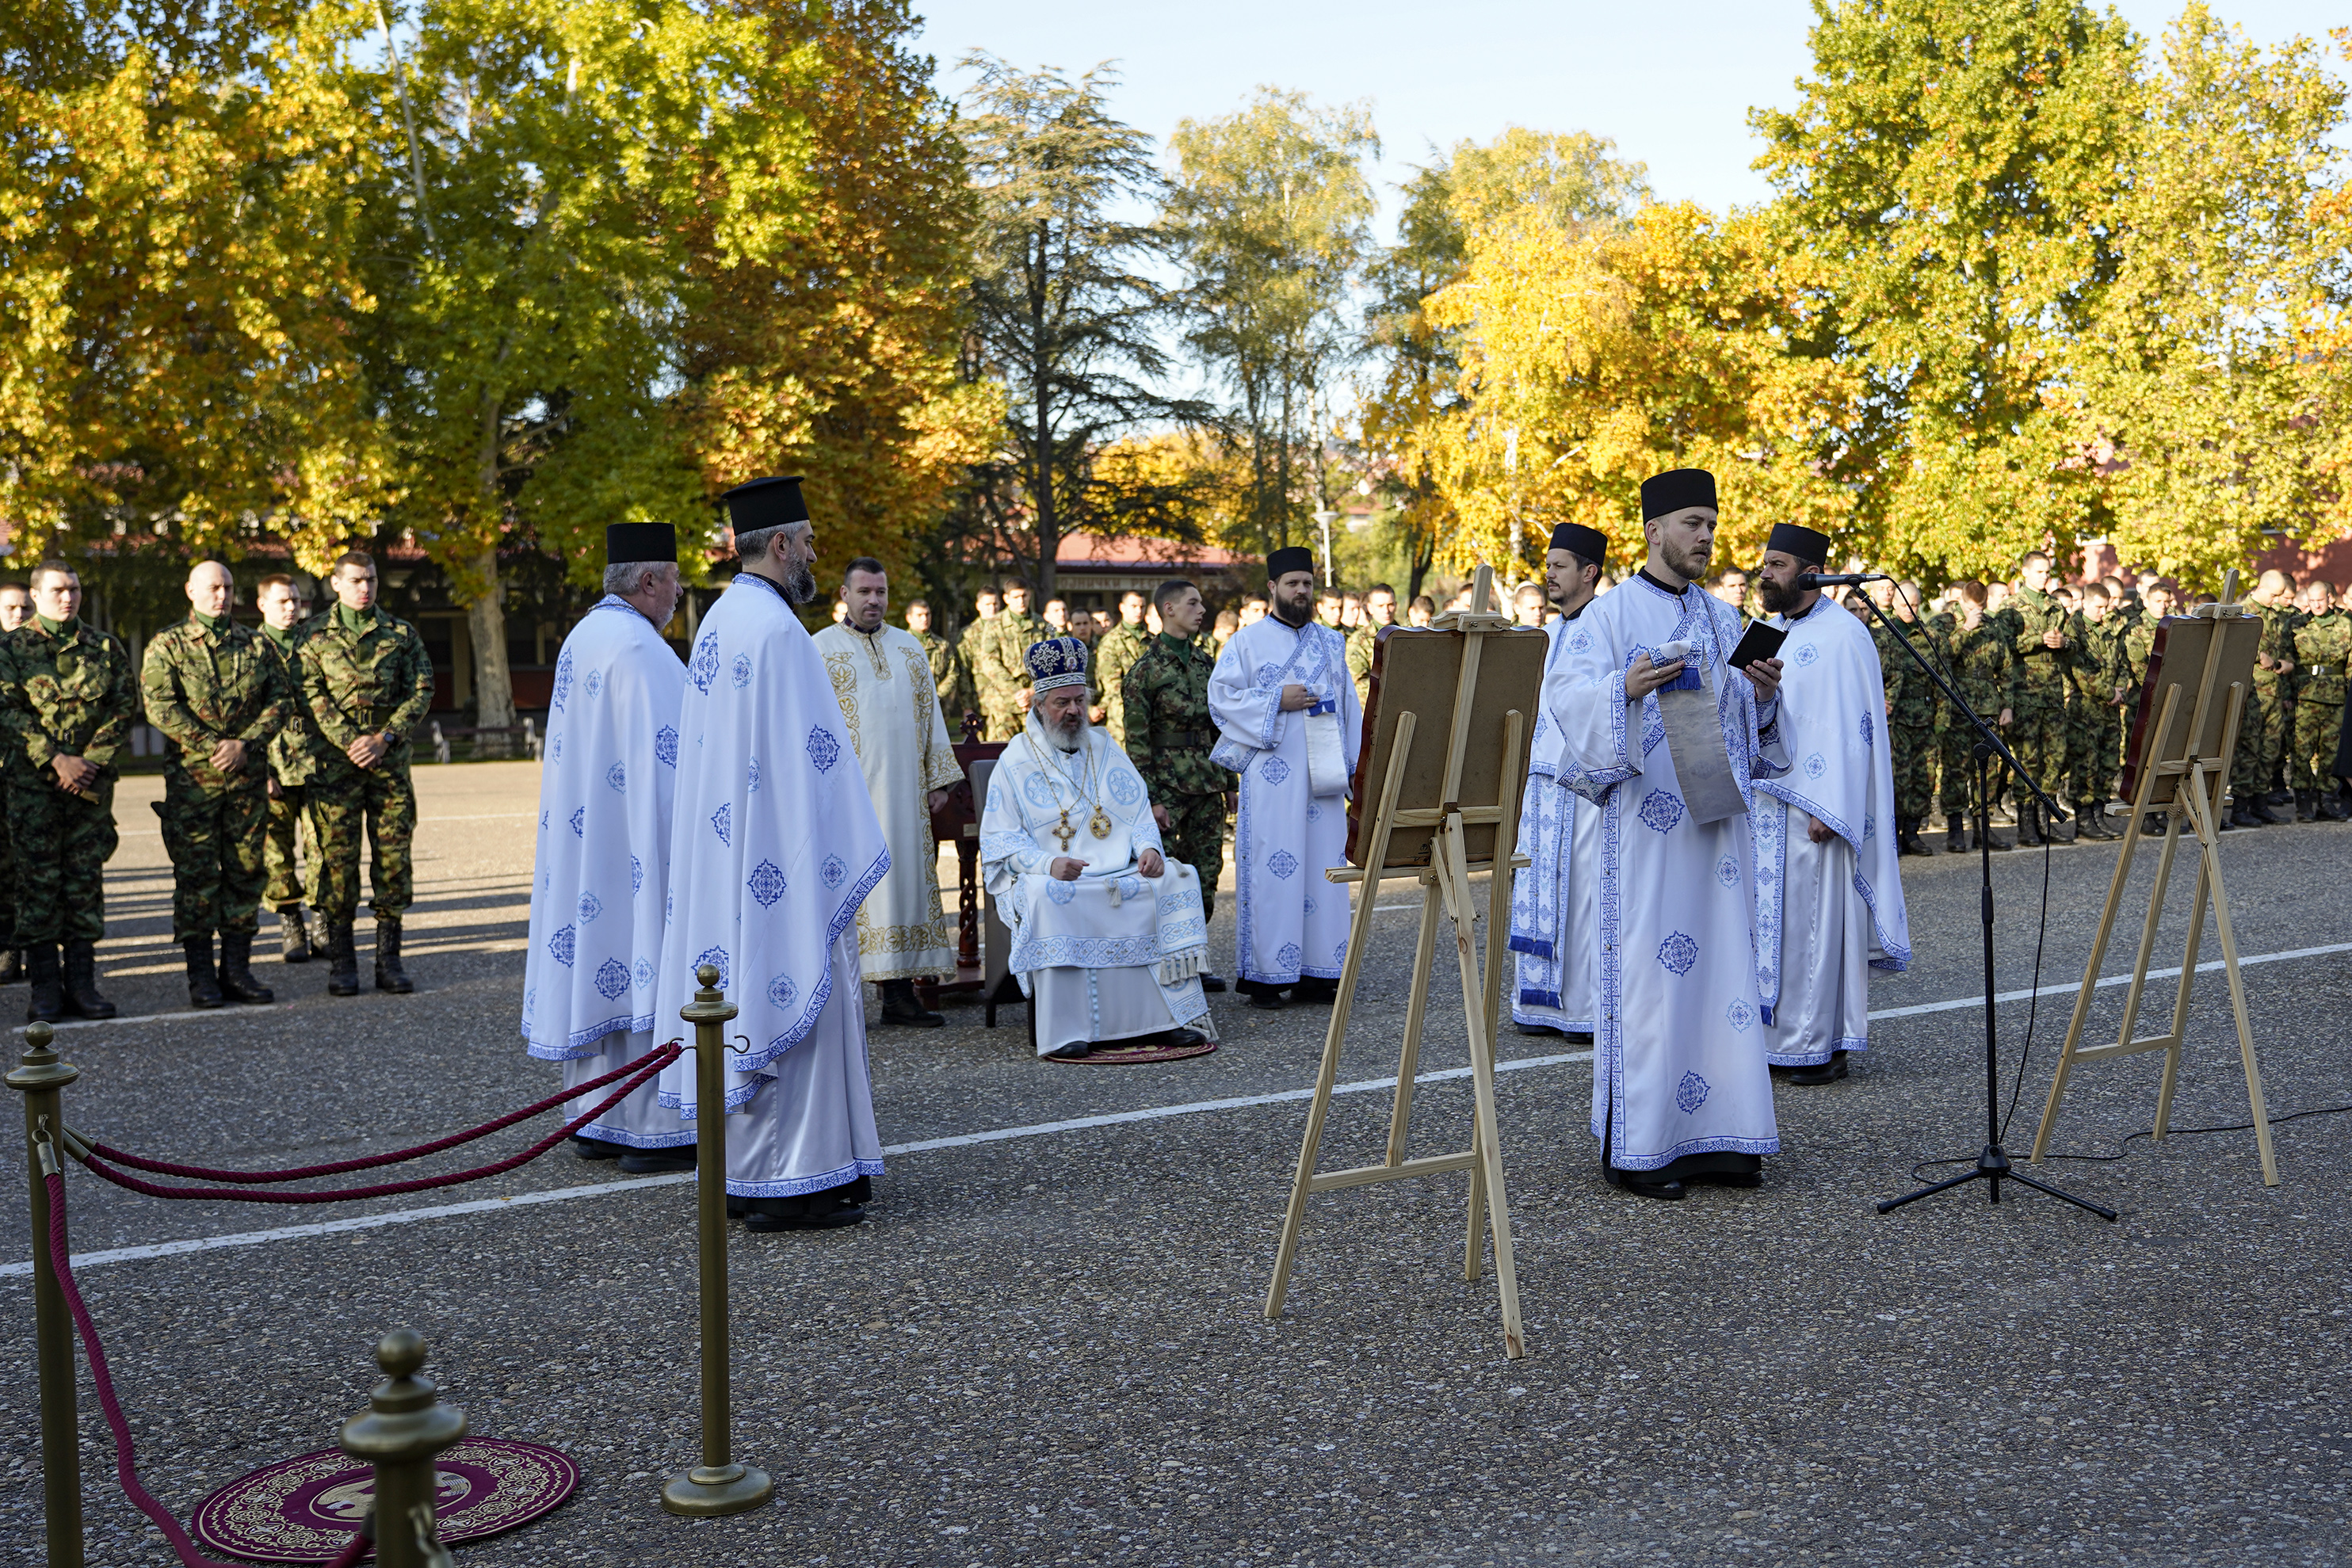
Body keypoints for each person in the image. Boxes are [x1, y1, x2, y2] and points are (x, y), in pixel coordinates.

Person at [657, 475, 889, 1232]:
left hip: (731, 858)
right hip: (784, 865)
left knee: (747, 1007)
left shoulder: (721, 619)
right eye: (811, 541)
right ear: (781, 545)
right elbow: (813, 763)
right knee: (798, 995)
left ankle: (750, 1174)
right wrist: (842, 844)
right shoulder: (780, 631)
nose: (816, 553)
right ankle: (800, 1176)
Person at [1548, 469, 1786, 1200]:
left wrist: (1765, 696)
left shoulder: (1723, 619)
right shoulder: (1609, 616)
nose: (1706, 536)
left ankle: (1726, 1137)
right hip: (1645, 841)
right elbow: (1565, 699)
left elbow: (1757, 737)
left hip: (1714, 838)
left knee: (1721, 978)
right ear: (1654, 531)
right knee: (1652, 981)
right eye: (1692, 523)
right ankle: (1643, 1148)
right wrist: (1621, 689)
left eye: (1711, 524)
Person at [524, 526, 695, 1173]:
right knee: (643, 956)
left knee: (599, 966)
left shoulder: (583, 636)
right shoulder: (641, 649)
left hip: (587, 844)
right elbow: (680, 763)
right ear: (648, 581)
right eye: (674, 578)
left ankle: (595, 1115)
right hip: (633, 852)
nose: (679, 591)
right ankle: (649, 1126)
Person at [983, 637, 1215, 1059]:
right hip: (1053, 875)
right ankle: (1069, 1030)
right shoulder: (1015, 760)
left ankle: (1166, 1019)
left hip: (1117, 870)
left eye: (1079, 700)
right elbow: (1000, 841)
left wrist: (1149, 849)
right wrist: (1048, 863)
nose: (1073, 711)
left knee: (1172, 880)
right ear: (1038, 706)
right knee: (1049, 897)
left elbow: (1139, 810)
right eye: (1061, 703)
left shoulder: (1105, 747)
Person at [1751, 530, 1912, 1085]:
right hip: (1768, 811)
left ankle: (1819, 1046)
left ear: (1811, 571)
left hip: (1817, 814)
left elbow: (1854, 729)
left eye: (1777, 563)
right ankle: (1777, 1040)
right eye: (1765, 563)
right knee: (1779, 933)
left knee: (1816, 933)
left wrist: (1835, 805)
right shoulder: (1774, 632)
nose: (1766, 572)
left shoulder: (1845, 634)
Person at [1208, 547, 1363, 1009]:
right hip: (1272, 779)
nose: (1302, 591)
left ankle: (1321, 972)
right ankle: (1269, 975)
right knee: (1274, 868)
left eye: (1308, 584)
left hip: (1325, 781)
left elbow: (1352, 711)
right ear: (1273, 588)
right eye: (1293, 583)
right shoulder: (1245, 643)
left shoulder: (1332, 643)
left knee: (1324, 870)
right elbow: (1221, 700)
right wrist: (1277, 699)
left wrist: (1359, 773)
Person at [812, 556, 963, 1028]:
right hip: (849, 797)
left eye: (881, 592)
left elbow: (931, 716)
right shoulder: (820, 650)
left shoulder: (909, 648)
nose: (874, 600)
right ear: (845, 595)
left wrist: (937, 778)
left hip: (904, 796)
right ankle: (842, 1004)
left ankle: (899, 996)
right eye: (864, 592)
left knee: (901, 889)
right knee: (853, 892)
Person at [142, 561, 291, 1009]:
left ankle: (238, 971)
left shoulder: (256, 645)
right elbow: (159, 705)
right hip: (195, 783)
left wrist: (245, 744)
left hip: (246, 780)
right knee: (197, 877)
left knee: (246, 873)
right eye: (212, 588)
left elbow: (281, 699)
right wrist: (214, 746)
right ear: (191, 591)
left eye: (226, 587)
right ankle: (201, 976)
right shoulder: (167, 645)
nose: (221, 596)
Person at [0, 559, 136, 1021]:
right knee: (37, 885)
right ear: (36, 595)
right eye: (59, 590)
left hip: (89, 787)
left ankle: (82, 985)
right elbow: (8, 712)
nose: (68, 598)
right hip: (33, 787)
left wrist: (90, 761)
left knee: (84, 884)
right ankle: (44, 989)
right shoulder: (12, 649)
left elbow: (123, 707)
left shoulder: (104, 647)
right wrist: (56, 759)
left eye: (75, 590)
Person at [302, 551, 434, 997]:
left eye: (372, 580)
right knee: (337, 863)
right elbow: (307, 692)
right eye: (356, 580)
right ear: (336, 584)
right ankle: (342, 963)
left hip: (389, 766)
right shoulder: (313, 634)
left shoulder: (400, 633)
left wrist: (386, 738)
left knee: (393, 861)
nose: (365, 588)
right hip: (335, 768)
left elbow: (421, 689)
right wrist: (349, 741)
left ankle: (388, 961)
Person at [1510, 523, 1608, 1041]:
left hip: (1580, 780)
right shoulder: (1550, 633)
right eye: (1547, 565)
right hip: (1539, 781)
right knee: (1539, 884)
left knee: (1582, 891)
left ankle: (1582, 1010)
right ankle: (1539, 1001)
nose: (1548, 573)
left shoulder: (1605, 625)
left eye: (1560, 565)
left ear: (1588, 572)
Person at [1121, 578, 1232, 992]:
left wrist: (1230, 780)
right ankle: (1162, 960)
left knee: (1206, 875)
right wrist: (1149, 800)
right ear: (1168, 609)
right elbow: (1136, 741)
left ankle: (1193, 957)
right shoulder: (1145, 671)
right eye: (1193, 602)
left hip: (1206, 782)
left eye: (1201, 602)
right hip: (1166, 787)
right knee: (1166, 876)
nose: (1201, 609)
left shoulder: (1207, 664)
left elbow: (1221, 727)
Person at [255, 574, 324, 963]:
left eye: (295, 600)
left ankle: (322, 920)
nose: (291, 608)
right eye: (282, 601)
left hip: (317, 762)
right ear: (263, 604)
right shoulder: (249, 649)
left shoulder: (317, 645)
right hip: (274, 765)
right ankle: (289, 920)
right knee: (276, 851)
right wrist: (259, 770)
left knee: (323, 847)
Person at [2004, 552, 2082, 845]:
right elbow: (2004, 646)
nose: (2044, 577)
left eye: (2047, 572)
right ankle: (2026, 822)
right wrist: (2036, 640)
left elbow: (2075, 644)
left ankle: (2044, 817)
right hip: (2024, 693)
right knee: (2027, 759)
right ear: (2025, 572)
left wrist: (2064, 643)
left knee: (2055, 756)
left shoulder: (2055, 606)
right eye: (2038, 572)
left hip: (2052, 693)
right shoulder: (2011, 607)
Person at [1938, 582, 2018, 853]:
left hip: (1987, 708)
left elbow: (2006, 667)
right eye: (1973, 608)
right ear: (1961, 601)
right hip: (1956, 707)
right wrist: (1965, 629)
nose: (1978, 613)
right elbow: (1938, 657)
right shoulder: (1945, 622)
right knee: (1956, 769)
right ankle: (1955, 830)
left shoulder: (1993, 626)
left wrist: (2007, 705)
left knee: (1989, 771)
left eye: (1981, 608)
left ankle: (1984, 829)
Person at [1865, 578, 1938, 856]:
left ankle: (1913, 832)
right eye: (1906, 603)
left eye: (1916, 604)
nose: (1911, 609)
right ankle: (1893, 834)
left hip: (1925, 716)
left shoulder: (1928, 636)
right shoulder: (1884, 634)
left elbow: (1939, 679)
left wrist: (1941, 719)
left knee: (1925, 776)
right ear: (1894, 602)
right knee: (1898, 777)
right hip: (1895, 719)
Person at [2232, 568, 2300, 826]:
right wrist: (2258, 655)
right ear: (2262, 588)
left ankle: (2260, 804)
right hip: (2251, 694)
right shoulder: (2242, 612)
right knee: (2248, 750)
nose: (2276, 599)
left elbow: (2285, 651)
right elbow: (2232, 648)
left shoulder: (2275, 616)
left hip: (2274, 692)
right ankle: (2240, 806)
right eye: (2274, 594)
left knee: (2270, 750)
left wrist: (2287, 664)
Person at [2066, 582, 2124, 839]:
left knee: (2108, 763)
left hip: (2110, 709)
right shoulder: (2074, 629)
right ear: (2086, 603)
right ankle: (2084, 819)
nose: (2103, 611)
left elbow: (2120, 661)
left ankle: (2099, 816)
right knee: (2085, 764)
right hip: (2086, 710)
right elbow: (2078, 672)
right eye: (2099, 607)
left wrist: (2120, 688)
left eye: (2106, 606)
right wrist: (2109, 692)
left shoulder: (2108, 628)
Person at [2292, 582, 2348, 821]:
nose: (2316, 605)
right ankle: (2303, 802)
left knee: (2331, 751)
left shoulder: (2346, 625)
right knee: (2302, 750)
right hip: (2305, 696)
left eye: (2320, 600)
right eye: (2312, 601)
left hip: (2336, 696)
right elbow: (2287, 658)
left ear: (2330, 599)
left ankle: (2326, 800)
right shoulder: (2295, 624)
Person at [0, 582, 32, 984]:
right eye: (10, 608)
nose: (18, 615)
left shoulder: (45, 656)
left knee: (35, 867)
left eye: (25, 607)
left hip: (36, 777)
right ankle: (7, 948)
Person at [972, 582, 1044, 742]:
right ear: (1006, 598)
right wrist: (1017, 692)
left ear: (1029, 595)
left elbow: (1051, 661)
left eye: (1024, 596)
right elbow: (989, 662)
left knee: (1039, 755)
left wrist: (1032, 691)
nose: (1021, 601)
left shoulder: (1042, 625)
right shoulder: (994, 625)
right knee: (1001, 754)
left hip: (1036, 701)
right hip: (1004, 703)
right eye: (1016, 597)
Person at [1090, 589, 1153, 747]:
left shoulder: (1153, 640)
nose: (1138, 611)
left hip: (1153, 718)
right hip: (1123, 720)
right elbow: (1113, 686)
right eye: (1133, 606)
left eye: (1142, 606)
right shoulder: (1111, 642)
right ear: (1122, 608)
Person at [904, 597, 972, 738]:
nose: (925, 618)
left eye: (927, 614)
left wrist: (937, 696)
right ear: (909, 618)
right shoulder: (900, 645)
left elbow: (953, 673)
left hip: (939, 711)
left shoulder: (942, 646)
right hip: (909, 712)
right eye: (920, 615)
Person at [1345, 584, 1397, 708]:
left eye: (1390, 605)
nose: (1386, 611)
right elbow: (1359, 681)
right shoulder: (1358, 640)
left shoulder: (1409, 635)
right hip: (1372, 711)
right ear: (1370, 608)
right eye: (1380, 606)